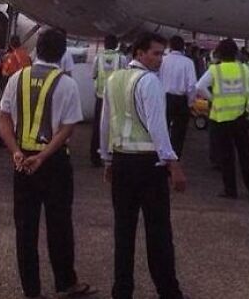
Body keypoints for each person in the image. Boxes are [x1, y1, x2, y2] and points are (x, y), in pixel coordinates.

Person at [0, 28, 94, 299]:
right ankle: (65, 282)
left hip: (22, 161)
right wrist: (42, 156)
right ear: (62, 53)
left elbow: (3, 117)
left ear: (36, 50)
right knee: (59, 224)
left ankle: (31, 290)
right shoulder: (67, 84)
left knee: (25, 228)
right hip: (53, 162)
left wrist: (16, 152)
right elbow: (68, 127)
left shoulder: (17, 78)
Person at [100, 31, 187, 299]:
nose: (160, 59)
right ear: (140, 53)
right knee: (158, 232)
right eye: (156, 53)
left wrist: (107, 158)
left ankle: (122, 290)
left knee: (123, 232)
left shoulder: (114, 79)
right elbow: (157, 127)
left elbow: (106, 122)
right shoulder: (149, 81)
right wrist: (173, 163)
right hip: (148, 165)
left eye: (162, 54)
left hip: (122, 162)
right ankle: (168, 291)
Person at [196, 38, 249, 199]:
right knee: (246, 154)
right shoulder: (245, 68)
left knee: (226, 156)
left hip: (221, 119)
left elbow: (199, 87)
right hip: (241, 118)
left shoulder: (215, 70)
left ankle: (230, 190)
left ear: (219, 53)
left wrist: (213, 98)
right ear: (236, 53)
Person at [159, 35, 198, 160]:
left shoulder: (163, 60)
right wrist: (190, 102)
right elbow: (192, 85)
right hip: (181, 99)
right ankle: (175, 157)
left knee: (162, 128)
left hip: (164, 98)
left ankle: (161, 153)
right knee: (179, 131)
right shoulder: (188, 62)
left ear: (170, 46)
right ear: (183, 47)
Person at [90, 34, 126, 167]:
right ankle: (113, 154)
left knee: (98, 126)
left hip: (100, 96)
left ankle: (95, 157)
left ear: (104, 45)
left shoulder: (98, 57)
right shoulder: (121, 58)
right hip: (116, 96)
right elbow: (125, 75)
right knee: (116, 126)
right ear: (116, 45)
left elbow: (93, 75)